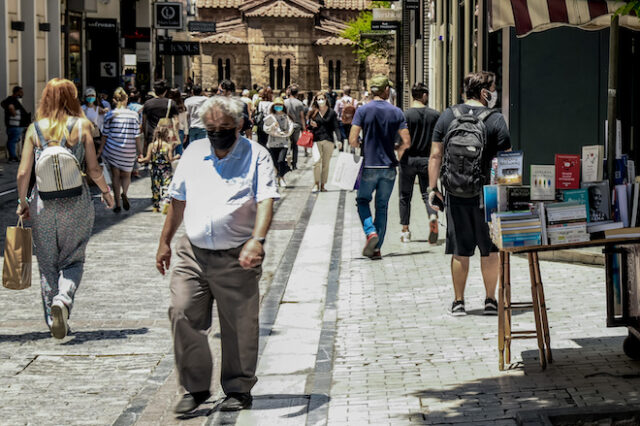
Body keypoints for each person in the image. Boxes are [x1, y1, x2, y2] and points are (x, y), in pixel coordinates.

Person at [156, 95, 279, 414]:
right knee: (182, 311)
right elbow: (178, 200)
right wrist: (165, 241)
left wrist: (257, 240)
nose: (216, 133)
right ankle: (195, 387)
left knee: (239, 323)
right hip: (192, 253)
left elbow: (266, 199)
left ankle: (238, 388)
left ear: (238, 125)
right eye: (210, 128)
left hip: (237, 253)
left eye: (223, 127)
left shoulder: (256, 155)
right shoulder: (194, 153)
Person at [15, 78, 115, 339]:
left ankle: (52, 319)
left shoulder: (34, 129)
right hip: (76, 202)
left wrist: (22, 202)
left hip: (43, 205)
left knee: (47, 263)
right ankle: (64, 298)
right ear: (73, 98)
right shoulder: (83, 126)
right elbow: (93, 169)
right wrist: (106, 192)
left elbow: (24, 172)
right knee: (73, 258)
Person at [428, 71, 511, 316]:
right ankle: (490, 300)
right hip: (488, 195)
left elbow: (435, 155)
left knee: (459, 250)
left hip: (455, 193)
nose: (495, 92)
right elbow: (506, 159)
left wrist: (433, 189)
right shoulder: (495, 119)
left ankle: (458, 302)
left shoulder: (447, 116)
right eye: (493, 88)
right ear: (485, 92)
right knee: (490, 250)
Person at [349, 75, 410, 260]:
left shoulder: (362, 111)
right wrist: (395, 147)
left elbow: (352, 139)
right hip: (389, 167)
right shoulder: (397, 112)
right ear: (386, 91)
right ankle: (376, 249)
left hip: (368, 165)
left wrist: (362, 144)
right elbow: (406, 141)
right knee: (382, 206)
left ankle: (371, 233)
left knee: (362, 201)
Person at [399, 82, 441, 244]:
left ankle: (405, 230)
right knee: (428, 193)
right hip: (427, 160)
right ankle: (432, 216)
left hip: (408, 160)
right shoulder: (435, 115)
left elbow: (401, 140)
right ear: (424, 95)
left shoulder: (405, 115)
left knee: (404, 196)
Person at [99, 87, 141, 213]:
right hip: (129, 149)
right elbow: (136, 135)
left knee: (115, 176)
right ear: (126, 99)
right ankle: (125, 193)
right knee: (126, 175)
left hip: (113, 149)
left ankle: (117, 202)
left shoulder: (109, 115)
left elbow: (105, 135)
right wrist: (140, 152)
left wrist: (100, 149)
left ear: (114, 100)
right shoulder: (134, 115)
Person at [138, 120, 179, 213]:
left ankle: (155, 206)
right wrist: (176, 156)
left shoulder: (152, 145)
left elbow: (147, 159)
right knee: (167, 185)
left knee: (155, 186)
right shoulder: (168, 146)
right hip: (166, 169)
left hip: (154, 169)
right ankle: (166, 202)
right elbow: (170, 159)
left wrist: (140, 160)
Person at [308, 92, 340, 193]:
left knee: (326, 164)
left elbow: (336, 127)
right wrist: (311, 125)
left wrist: (339, 139)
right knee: (316, 162)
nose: (321, 101)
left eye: (322, 99)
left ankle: (323, 185)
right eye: (319, 99)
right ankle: (316, 183)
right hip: (316, 140)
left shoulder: (331, 112)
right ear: (316, 101)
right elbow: (308, 127)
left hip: (328, 140)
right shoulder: (314, 112)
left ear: (326, 99)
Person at [263, 97, 294, 187]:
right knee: (275, 162)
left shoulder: (286, 116)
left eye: (280, 105)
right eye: (276, 105)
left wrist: (287, 133)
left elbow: (291, 126)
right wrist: (273, 126)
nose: (278, 107)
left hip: (283, 142)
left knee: (281, 160)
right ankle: (279, 178)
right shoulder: (270, 117)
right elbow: (266, 129)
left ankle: (281, 177)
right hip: (272, 143)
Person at [142, 80, 178, 153]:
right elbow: (176, 121)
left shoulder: (147, 104)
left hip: (151, 137)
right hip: (167, 137)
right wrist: (175, 136)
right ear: (165, 91)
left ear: (154, 91)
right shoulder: (171, 103)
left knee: (152, 159)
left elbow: (144, 122)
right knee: (167, 159)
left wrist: (145, 137)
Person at [1, 86, 29, 162]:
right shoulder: (11, 100)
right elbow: (9, 107)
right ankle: (13, 156)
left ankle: (13, 156)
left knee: (13, 140)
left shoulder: (13, 100)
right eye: (21, 92)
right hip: (15, 126)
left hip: (16, 126)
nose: (22, 94)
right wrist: (14, 113)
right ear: (16, 92)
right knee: (12, 141)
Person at [284, 84, 306, 170]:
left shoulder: (284, 102)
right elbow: (301, 117)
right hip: (296, 126)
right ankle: (294, 164)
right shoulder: (300, 103)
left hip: (287, 126)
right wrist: (304, 127)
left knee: (287, 144)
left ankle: (286, 162)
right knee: (295, 145)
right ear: (297, 93)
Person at [168, 88, 187, 156]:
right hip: (180, 130)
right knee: (179, 152)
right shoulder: (182, 106)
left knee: (169, 151)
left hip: (169, 129)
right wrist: (186, 133)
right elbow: (184, 120)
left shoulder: (168, 106)